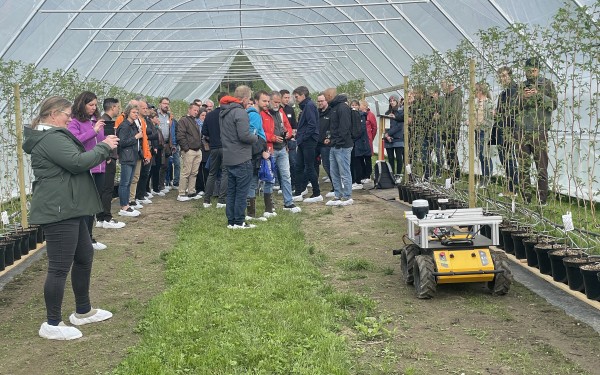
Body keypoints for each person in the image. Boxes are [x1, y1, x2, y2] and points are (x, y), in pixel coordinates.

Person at [23, 96, 118, 340]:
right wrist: (104, 146)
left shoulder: (54, 135)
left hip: (71, 206)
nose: (69, 118)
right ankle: (52, 323)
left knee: (84, 256)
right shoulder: (51, 138)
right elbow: (76, 163)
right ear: (53, 114)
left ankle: (83, 311)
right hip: (60, 208)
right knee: (58, 267)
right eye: (66, 113)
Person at [67, 91, 108, 250]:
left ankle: (89, 238)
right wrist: (94, 131)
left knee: (94, 204)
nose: (94, 108)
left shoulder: (96, 120)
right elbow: (75, 140)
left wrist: (107, 150)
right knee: (86, 206)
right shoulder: (75, 122)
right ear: (81, 104)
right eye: (91, 105)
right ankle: (84, 240)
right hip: (86, 167)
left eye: (95, 105)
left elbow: (100, 140)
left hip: (100, 167)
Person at [515, 57, 558, 205]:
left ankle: (542, 200)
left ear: (538, 70)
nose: (530, 74)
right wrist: (522, 97)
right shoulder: (521, 86)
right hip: (521, 130)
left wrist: (538, 94)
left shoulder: (547, 84)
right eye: (528, 71)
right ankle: (526, 198)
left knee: (541, 166)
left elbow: (553, 105)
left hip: (539, 130)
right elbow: (513, 108)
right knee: (523, 167)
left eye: (533, 70)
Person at [220, 85, 258, 229]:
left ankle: (231, 221)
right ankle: (239, 221)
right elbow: (244, 136)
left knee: (232, 191)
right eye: (248, 100)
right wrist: (255, 137)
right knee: (242, 192)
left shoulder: (224, 112)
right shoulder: (240, 113)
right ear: (245, 98)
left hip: (229, 156)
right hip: (241, 157)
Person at [97, 98, 126, 229]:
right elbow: (105, 141)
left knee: (104, 189)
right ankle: (106, 217)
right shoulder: (106, 122)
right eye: (118, 107)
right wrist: (108, 157)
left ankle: (100, 218)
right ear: (113, 107)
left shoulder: (104, 120)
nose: (119, 110)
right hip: (107, 160)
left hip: (107, 159)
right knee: (107, 189)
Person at [323, 88, 354, 206]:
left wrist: (338, 141)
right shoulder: (334, 107)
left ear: (330, 95)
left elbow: (344, 127)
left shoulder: (342, 107)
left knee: (344, 171)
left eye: (326, 97)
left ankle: (347, 196)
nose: (325, 99)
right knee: (334, 170)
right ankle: (338, 194)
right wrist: (331, 139)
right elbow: (334, 126)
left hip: (343, 145)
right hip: (335, 144)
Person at [292, 86, 322, 203]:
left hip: (308, 141)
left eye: (297, 97)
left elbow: (312, 125)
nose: (296, 99)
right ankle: (299, 192)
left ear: (303, 95)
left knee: (309, 166)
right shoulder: (305, 106)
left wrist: (303, 137)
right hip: (303, 140)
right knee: (299, 166)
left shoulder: (309, 106)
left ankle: (316, 193)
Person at [494, 66, 519, 196]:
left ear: (510, 75)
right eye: (500, 77)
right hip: (501, 129)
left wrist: (500, 114)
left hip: (509, 129)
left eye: (504, 76)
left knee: (509, 158)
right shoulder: (504, 93)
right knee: (504, 158)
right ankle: (510, 188)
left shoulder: (514, 90)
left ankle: (513, 189)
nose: (502, 79)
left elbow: (513, 111)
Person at [202, 92, 229, 209]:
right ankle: (221, 200)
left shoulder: (210, 115)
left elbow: (204, 132)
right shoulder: (228, 114)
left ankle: (207, 200)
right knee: (225, 173)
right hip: (225, 147)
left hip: (213, 148)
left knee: (212, 173)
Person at [116, 104, 143, 217]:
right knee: (125, 182)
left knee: (129, 182)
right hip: (127, 157)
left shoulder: (133, 125)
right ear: (128, 113)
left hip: (133, 156)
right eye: (133, 112)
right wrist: (136, 137)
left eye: (137, 112)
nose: (136, 114)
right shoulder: (125, 126)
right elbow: (122, 142)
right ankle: (124, 206)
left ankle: (126, 204)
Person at [176, 102, 203, 202]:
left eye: (197, 110)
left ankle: (191, 191)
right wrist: (186, 148)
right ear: (189, 109)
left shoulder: (195, 121)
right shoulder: (184, 120)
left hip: (197, 150)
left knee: (194, 172)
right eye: (194, 110)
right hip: (189, 150)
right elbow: (180, 135)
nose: (196, 112)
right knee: (186, 172)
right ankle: (181, 193)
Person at [474, 81, 495, 187]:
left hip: (485, 133)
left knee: (485, 155)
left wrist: (480, 125)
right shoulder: (476, 102)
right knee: (480, 156)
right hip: (477, 132)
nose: (475, 92)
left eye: (476, 90)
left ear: (481, 90)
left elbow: (490, 120)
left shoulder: (489, 103)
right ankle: (484, 177)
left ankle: (487, 177)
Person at [383, 95, 404, 175]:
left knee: (399, 157)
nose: (392, 102)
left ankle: (399, 175)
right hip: (388, 139)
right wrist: (386, 135)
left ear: (397, 101)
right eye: (390, 101)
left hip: (398, 137)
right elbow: (385, 125)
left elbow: (399, 126)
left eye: (393, 101)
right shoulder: (387, 113)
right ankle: (391, 175)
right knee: (390, 158)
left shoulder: (401, 112)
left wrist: (389, 133)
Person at [359, 99, 377, 183]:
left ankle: (368, 175)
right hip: (360, 139)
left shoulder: (370, 115)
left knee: (367, 158)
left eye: (360, 105)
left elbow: (374, 127)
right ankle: (363, 175)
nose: (359, 106)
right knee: (361, 158)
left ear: (364, 106)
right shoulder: (359, 115)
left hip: (368, 139)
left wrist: (371, 137)